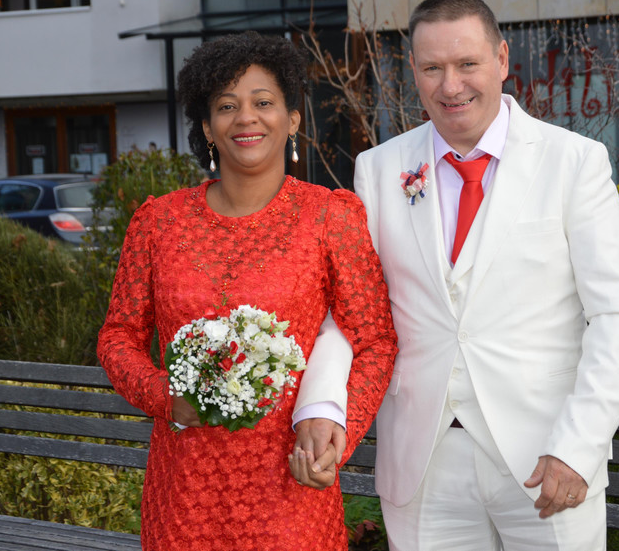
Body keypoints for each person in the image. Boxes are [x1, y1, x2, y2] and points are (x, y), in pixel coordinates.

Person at [293, 0, 619, 550]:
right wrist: (321, 404)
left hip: (547, 456)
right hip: (422, 462)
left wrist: (579, 447)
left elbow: (616, 316)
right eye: (432, 68)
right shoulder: (378, 170)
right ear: (413, 70)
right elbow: (352, 311)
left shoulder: (574, 162)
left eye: (467, 64)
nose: (450, 86)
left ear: (502, 59)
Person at [97, 31, 397, 551]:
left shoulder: (330, 217)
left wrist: (335, 430)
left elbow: (375, 339)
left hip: (292, 485)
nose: (246, 118)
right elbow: (118, 337)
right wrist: (164, 396)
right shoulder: (158, 223)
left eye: (263, 102)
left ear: (292, 119)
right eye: (226, 106)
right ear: (207, 127)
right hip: (185, 490)